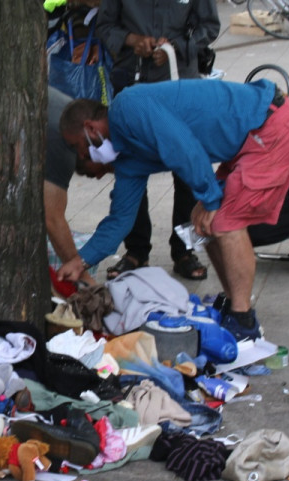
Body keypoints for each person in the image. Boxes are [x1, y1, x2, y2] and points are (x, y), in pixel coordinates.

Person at [56, 79, 289, 341]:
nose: (84, 157)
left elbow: (182, 147)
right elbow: (120, 219)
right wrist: (81, 260)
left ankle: (243, 321)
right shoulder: (129, 159)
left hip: (274, 126)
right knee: (201, 224)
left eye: (80, 149)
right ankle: (234, 303)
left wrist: (211, 200)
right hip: (252, 140)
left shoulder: (126, 109)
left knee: (225, 220)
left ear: (90, 128)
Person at [95, 0, 219, 280]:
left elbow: (209, 27)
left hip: (180, 85)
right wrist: (132, 40)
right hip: (132, 82)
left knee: (187, 169)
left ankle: (184, 250)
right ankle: (136, 251)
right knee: (131, 166)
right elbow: (105, 25)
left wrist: (174, 46)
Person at [44, 86, 112, 286]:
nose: (99, 177)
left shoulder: (72, 129)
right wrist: (83, 277)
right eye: (104, 168)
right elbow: (53, 219)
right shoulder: (63, 140)